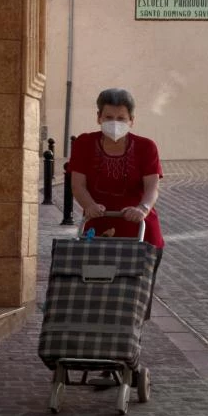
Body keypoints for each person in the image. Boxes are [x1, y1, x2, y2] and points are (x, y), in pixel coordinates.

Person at [67, 87, 164, 317]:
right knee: (96, 297)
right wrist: (88, 205)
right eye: (108, 117)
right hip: (99, 231)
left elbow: (152, 187)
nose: (114, 122)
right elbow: (77, 184)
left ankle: (130, 343)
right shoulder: (84, 143)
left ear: (131, 120)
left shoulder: (146, 147)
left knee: (135, 300)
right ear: (99, 117)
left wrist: (142, 208)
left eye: (121, 118)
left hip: (140, 233)